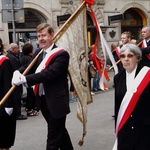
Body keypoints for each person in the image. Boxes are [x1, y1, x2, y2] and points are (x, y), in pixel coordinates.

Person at [12, 23, 74, 150]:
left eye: (44, 35)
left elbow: (48, 74)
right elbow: (29, 66)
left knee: (52, 137)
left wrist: (25, 79)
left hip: (57, 101)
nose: (41, 38)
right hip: (44, 101)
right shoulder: (39, 52)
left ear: (52, 35)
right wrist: (18, 71)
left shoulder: (61, 55)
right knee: (60, 133)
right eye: (39, 36)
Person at [113, 43, 150, 150]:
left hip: (144, 127)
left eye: (130, 56)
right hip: (125, 126)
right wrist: (117, 128)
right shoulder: (118, 78)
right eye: (123, 56)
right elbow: (118, 104)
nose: (126, 59)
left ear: (137, 58)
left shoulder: (147, 74)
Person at [0, 38, 16, 150]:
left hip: (2, 103)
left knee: (3, 139)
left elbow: (8, 86)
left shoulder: (4, 62)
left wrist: (8, 105)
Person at [6, 43, 27, 120]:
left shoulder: (10, 56)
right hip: (15, 81)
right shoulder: (12, 58)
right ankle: (17, 113)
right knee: (17, 97)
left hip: (12, 80)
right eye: (17, 48)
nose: (18, 50)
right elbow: (16, 70)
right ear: (13, 49)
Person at [20, 43, 39, 116]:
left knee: (30, 94)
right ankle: (30, 109)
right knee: (31, 94)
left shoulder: (23, 58)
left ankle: (29, 108)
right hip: (31, 78)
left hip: (27, 78)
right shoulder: (29, 59)